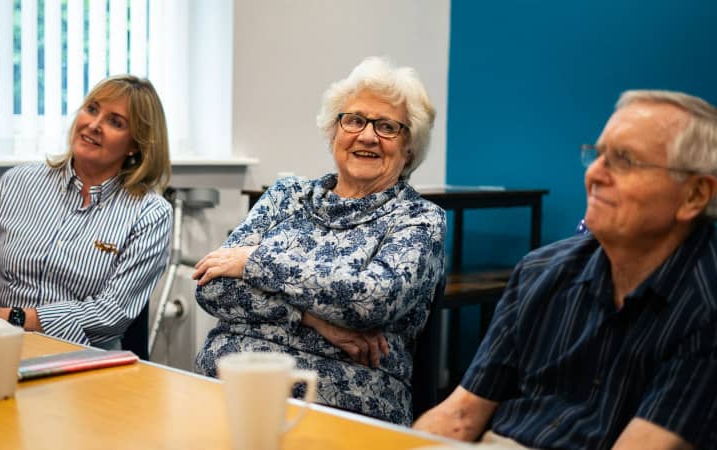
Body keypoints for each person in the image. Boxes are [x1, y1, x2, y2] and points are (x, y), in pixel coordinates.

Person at [414, 90, 717, 450]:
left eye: (625, 160)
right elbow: (461, 415)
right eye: (598, 154)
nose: (595, 173)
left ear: (695, 195)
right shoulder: (541, 272)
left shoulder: (705, 303)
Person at [191, 57, 445, 425]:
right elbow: (212, 287)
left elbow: (370, 300)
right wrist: (311, 318)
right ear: (333, 131)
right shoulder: (286, 195)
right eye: (355, 120)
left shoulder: (419, 219)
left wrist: (255, 262)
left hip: (341, 406)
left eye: (388, 127)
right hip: (226, 386)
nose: (368, 136)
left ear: (409, 149)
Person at [0, 75, 172, 349]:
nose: (94, 125)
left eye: (115, 122)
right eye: (92, 109)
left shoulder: (151, 213)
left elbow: (111, 314)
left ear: (136, 144)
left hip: (76, 351)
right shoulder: (18, 182)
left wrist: (10, 316)